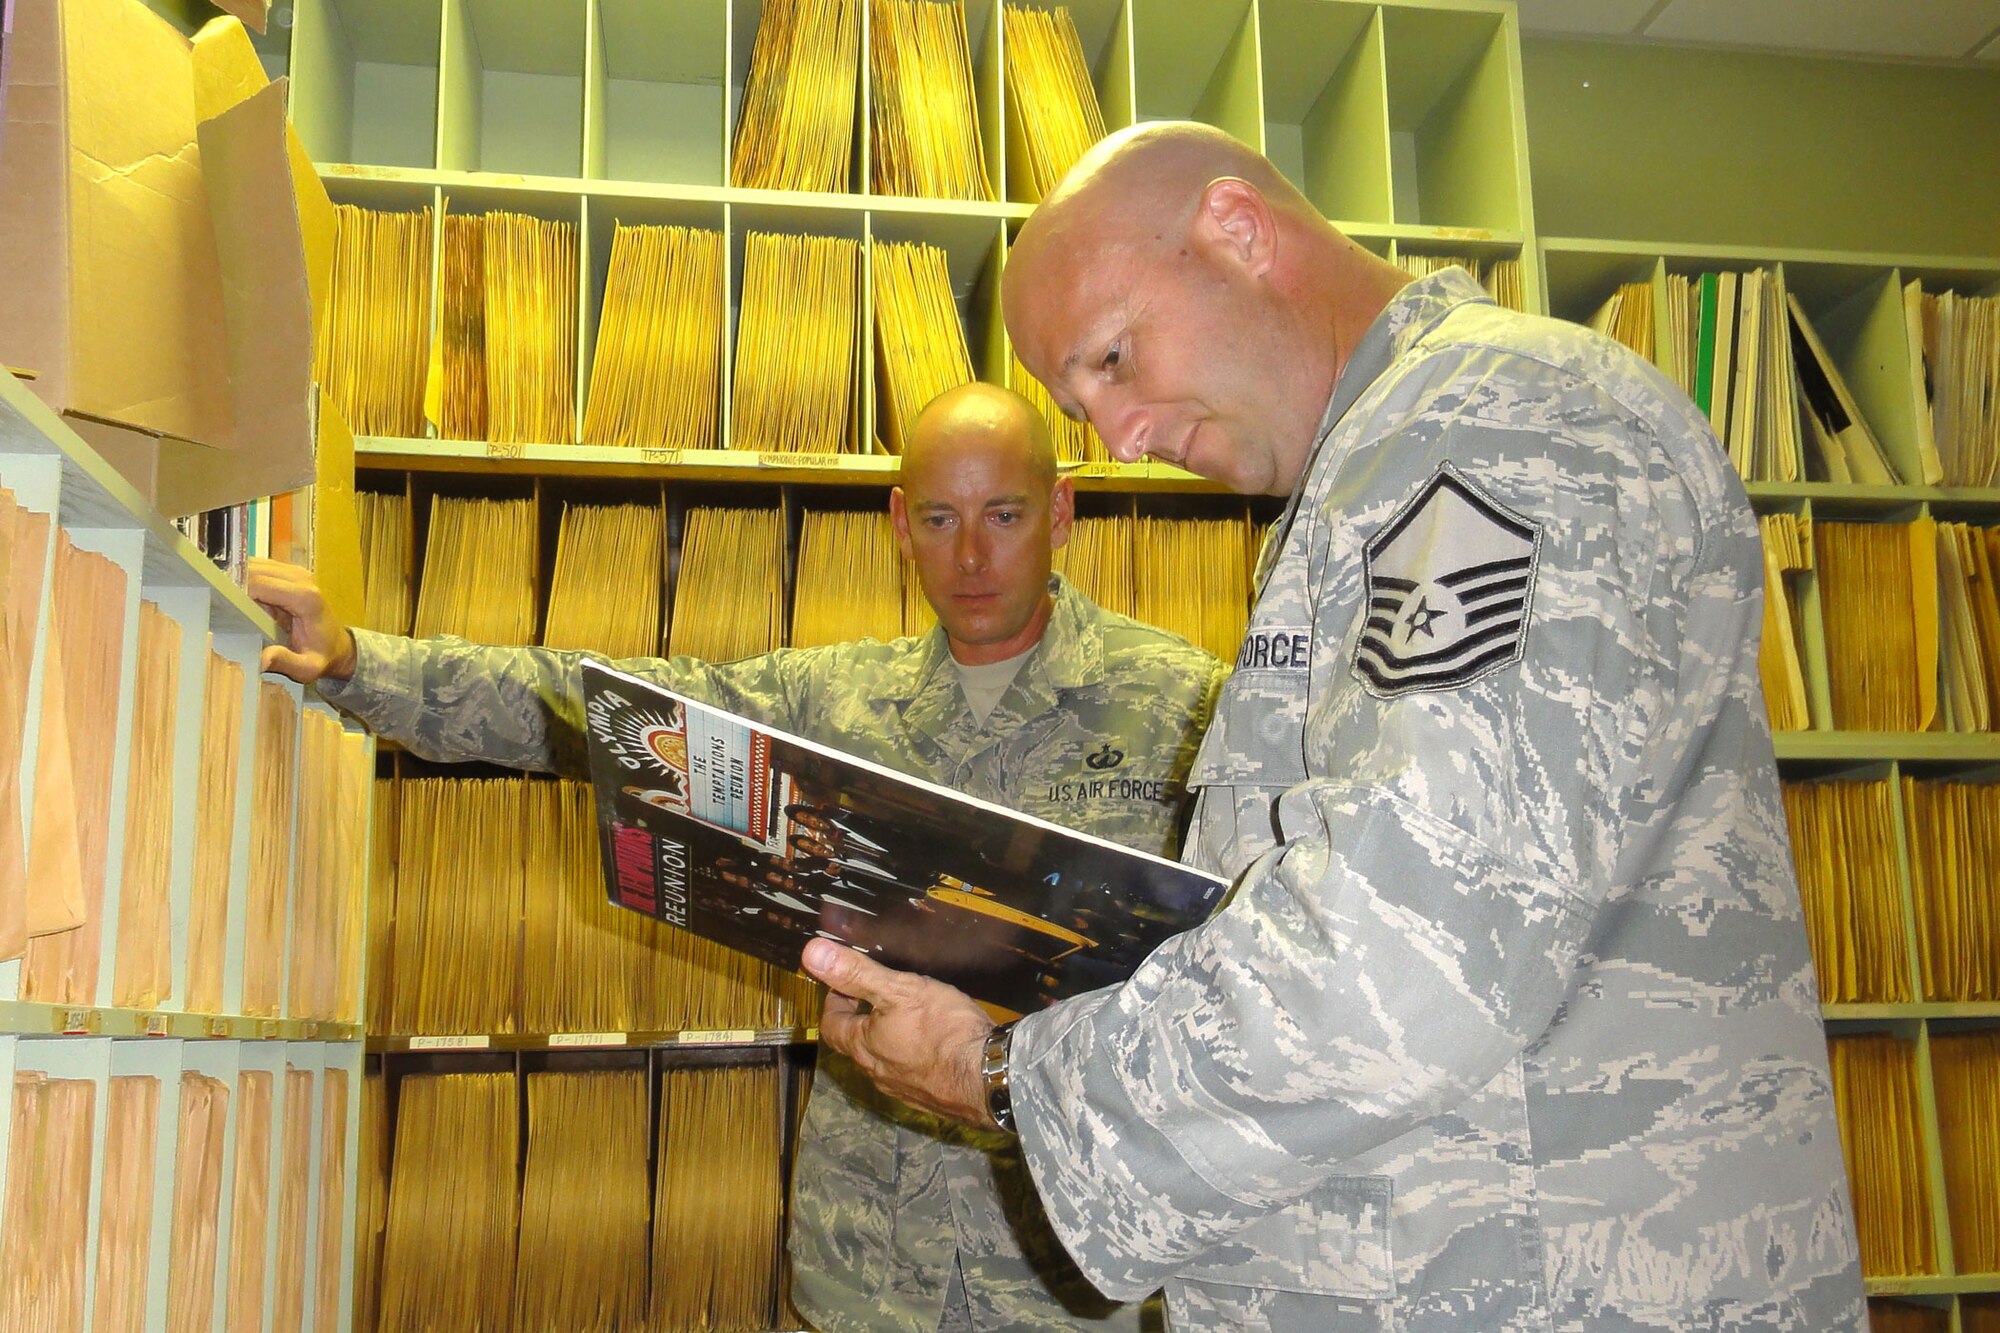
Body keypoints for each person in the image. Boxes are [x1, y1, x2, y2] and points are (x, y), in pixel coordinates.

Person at [795, 122, 1868, 1331]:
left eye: (1112, 358)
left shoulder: (1490, 432)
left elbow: (1408, 947)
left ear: (1240, 233)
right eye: (1078, 399)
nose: (1119, 437)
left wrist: (1000, 1077)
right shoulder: (1373, 478)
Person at [250, 380, 1225, 1333]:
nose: (969, 554)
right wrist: (359, 664)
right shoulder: (838, 703)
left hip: (1072, 1267)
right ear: (896, 522)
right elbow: (599, 708)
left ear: (1059, 513)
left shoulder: (1187, 708)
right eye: (937, 519)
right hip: (867, 1263)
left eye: (1002, 515)